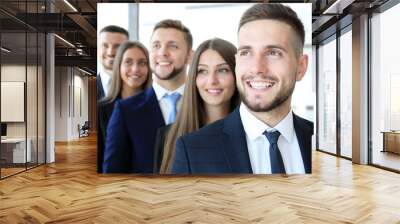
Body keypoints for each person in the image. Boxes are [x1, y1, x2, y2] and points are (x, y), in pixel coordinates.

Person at [171, 3, 313, 174]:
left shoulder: (318, 140)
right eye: (246, 52)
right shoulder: (192, 151)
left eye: (273, 53)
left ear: (301, 67)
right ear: (237, 62)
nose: (256, 68)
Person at [103, 19, 193, 173]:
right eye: (156, 46)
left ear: (189, 56)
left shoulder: (205, 105)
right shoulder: (126, 110)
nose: (162, 52)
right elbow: (112, 174)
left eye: (173, 46)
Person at [154, 38, 239, 174]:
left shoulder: (252, 135)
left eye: (223, 70)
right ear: (194, 77)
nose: (212, 80)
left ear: (237, 75)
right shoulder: (166, 136)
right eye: (203, 71)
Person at [97, 41, 152, 173]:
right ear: (118, 66)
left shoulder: (158, 105)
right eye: (128, 62)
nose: (135, 69)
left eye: (142, 63)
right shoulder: (101, 108)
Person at [97, 25, 129, 100]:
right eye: (105, 45)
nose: (110, 52)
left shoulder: (141, 89)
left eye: (117, 46)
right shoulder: (91, 88)